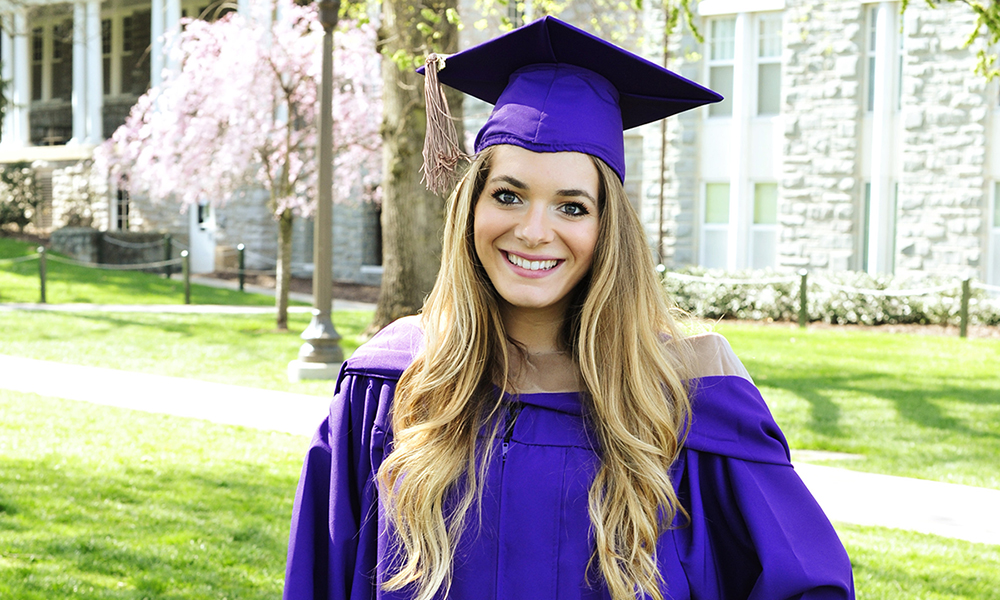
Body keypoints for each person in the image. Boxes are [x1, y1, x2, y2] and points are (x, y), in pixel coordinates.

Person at [283, 16, 855, 600]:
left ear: (609, 229)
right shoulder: (391, 382)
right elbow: (320, 573)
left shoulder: (689, 395)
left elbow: (806, 579)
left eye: (572, 207)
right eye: (508, 195)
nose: (533, 231)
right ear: (470, 208)